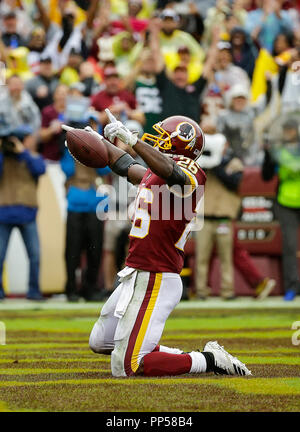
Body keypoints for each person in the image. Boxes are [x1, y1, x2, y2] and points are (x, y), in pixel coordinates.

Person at [66, 110, 252, 378]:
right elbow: (125, 165)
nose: (157, 140)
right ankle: (164, 353)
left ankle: (209, 359)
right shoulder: (156, 173)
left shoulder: (191, 172)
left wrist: (133, 140)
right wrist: (96, 139)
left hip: (156, 274)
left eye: (164, 136)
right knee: (101, 342)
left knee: (127, 367)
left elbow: (171, 170)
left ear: (181, 143)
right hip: (136, 272)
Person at [60, 114, 111, 302]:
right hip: (76, 204)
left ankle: (90, 289)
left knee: (94, 250)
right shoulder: (68, 149)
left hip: (95, 204)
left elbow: (105, 168)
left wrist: (96, 146)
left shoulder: (99, 145)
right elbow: (66, 170)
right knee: (72, 250)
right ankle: (71, 288)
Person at [195, 125, 243, 300]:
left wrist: (216, 163)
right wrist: (207, 160)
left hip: (224, 217)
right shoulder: (201, 162)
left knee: (226, 258)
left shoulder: (233, 162)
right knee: (202, 258)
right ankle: (201, 291)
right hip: (204, 217)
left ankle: (227, 291)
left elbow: (233, 182)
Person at [0, 131, 46, 300]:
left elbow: (40, 169)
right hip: (4, 213)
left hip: (27, 213)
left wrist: (23, 152)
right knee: (0, 256)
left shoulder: (32, 157)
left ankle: (34, 291)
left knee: (34, 256)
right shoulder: (3, 158)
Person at [262, 118, 300, 301]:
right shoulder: (279, 151)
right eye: (286, 130)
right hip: (286, 202)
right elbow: (266, 177)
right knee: (290, 247)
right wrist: (267, 156)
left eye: (291, 130)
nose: (289, 133)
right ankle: (291, 288)